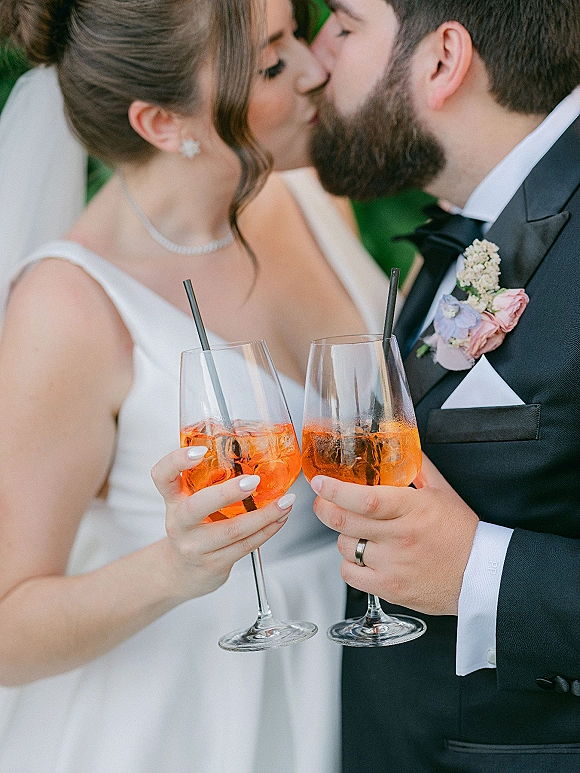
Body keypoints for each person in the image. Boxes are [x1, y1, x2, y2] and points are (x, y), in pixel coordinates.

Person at [0, 0, 391, 771]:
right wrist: (173, 567)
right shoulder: (69, 306)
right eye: (274, 62)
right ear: (160, 123)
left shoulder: (311, 194)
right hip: (180, 724)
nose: (317, 70)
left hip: (354, 695)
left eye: (297, 34)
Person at [306, 0, 580, 770]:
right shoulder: (477, 222)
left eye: (345, 23)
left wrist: (478, 571)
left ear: (441, 60)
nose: (315, 54)